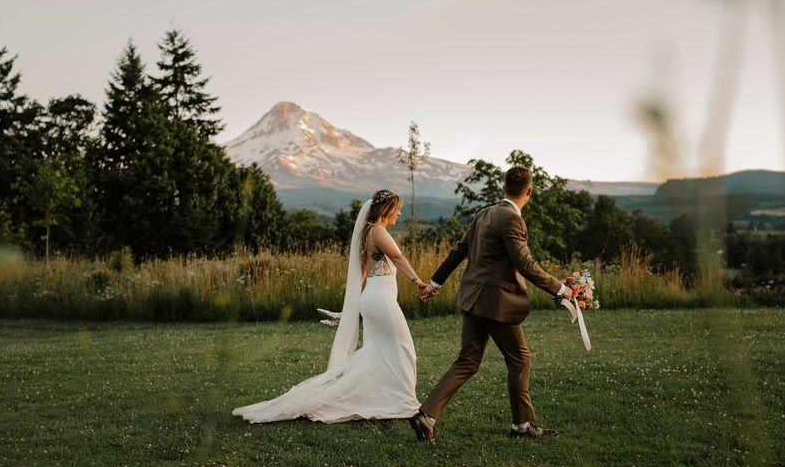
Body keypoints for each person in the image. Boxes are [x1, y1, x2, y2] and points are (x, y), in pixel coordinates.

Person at [233, 190, 427, 423]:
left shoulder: (367, 234)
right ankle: (402, 400)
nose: (400, 212)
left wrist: (351, 308)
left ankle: (390, 398)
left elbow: (363, 272)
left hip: (373, 298)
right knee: (404, 347)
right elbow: (397, 258)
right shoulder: (377, 230)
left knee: (378, 353)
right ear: (386, 210)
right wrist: (418, 282)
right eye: (397, 208)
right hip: (380, 300)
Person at [411, 166, 573, 442]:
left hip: (473, 299)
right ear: (530, 191)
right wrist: (560, 288)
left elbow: (459, 251)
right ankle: (522, 427)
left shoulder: (484, 213)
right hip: (495, 303)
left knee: (468, 360)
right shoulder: (512, 220)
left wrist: (434, 283)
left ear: (503, 187)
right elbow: (525, 263)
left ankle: (426, 415)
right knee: (520, 360)